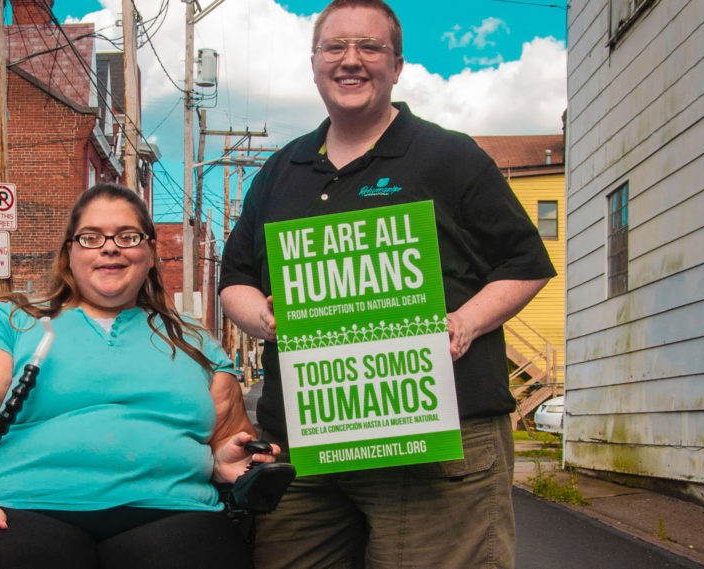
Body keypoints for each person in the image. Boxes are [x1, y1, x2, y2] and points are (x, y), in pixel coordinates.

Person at [218, 1, 556, 568]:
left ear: (397, 66)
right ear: (315, 61)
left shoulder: (450, 157)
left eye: (370, 48)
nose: (351, 61)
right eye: (335, 47)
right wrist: (266, 319)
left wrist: (464, 322)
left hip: (439, 440)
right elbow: (235, 280)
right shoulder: (280, 172)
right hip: (308, 441)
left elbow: (525, 262)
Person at [0, 183, 278, 569]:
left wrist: (225, 460)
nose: (110, 247)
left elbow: (227, 435)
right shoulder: (12, 322)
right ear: (70, 253)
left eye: (128, 236)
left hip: (172, 511)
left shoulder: (194, 340)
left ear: (150, 252)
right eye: (91, 237)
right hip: (16, 509)